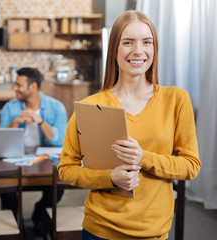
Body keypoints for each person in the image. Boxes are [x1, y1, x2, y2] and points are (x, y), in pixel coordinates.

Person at [58, 10, 201, 240]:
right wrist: (110, 178)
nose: (138, 51)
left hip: (152, 231)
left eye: (147, 42)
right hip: (100, 230)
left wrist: (143, 157)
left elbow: (191, 166)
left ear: (154, 48)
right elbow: (66, 169)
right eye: (128, 42)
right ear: (114, 48)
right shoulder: (90, 106)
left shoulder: (176, 99)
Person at [0, 67, 68, 234]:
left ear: (34, 87)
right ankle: (16, 225)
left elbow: (61, 141)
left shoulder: (56, 107)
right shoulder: (10, 108)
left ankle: (39, 213)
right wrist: (15, 123)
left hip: (45, 161)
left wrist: (40, 121)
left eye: (19, 85)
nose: (15, 88)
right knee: (6, 188)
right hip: (15, 161)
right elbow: (1, 142)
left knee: (57, 187)